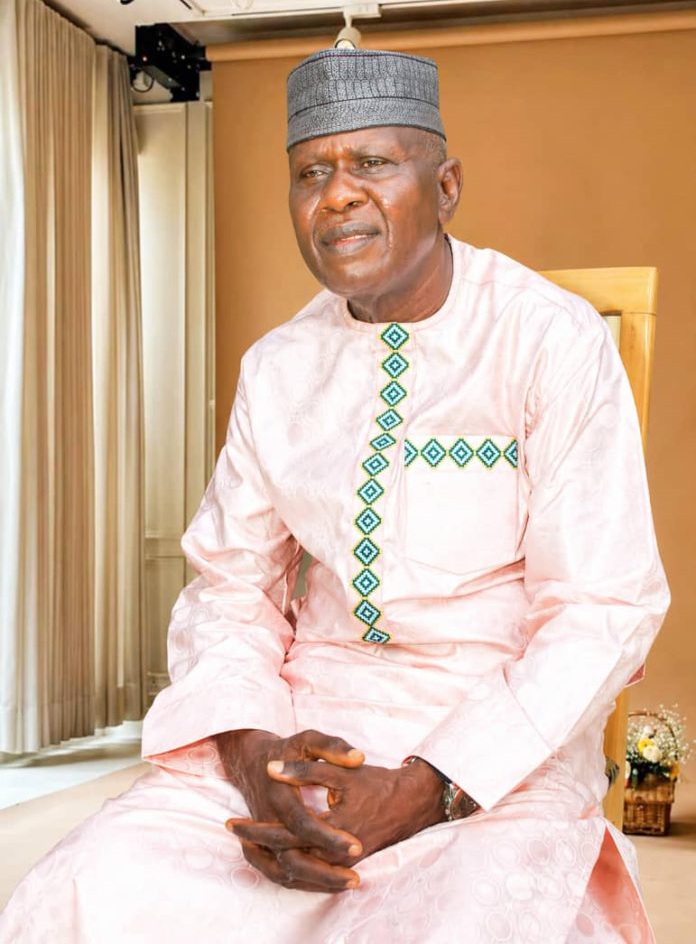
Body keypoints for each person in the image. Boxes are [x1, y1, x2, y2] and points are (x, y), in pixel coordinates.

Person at [0, 48, 669, 944]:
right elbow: (229, 587)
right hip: (301, 730)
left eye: (373, 163)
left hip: (494, 749)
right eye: (311, 172)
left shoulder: (551, 341)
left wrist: (430, 785)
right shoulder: (277, 368)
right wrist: (255, 760)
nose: (338, 195)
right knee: (87, 886)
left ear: (446, 186)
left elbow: (601, 606)